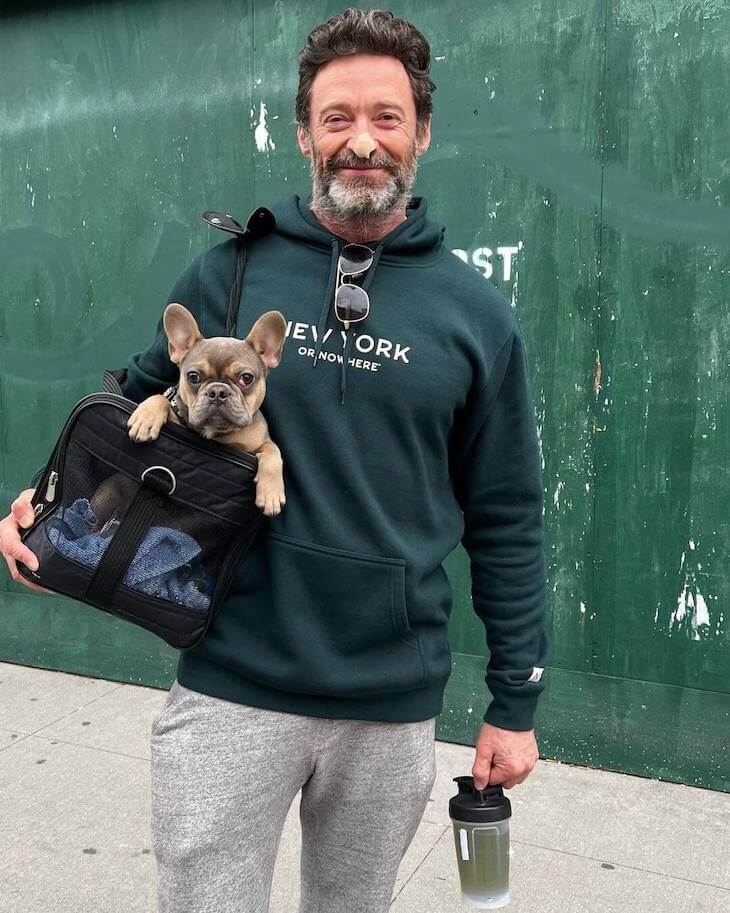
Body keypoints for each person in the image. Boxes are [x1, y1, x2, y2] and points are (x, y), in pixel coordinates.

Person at [1, 8, 551, 912]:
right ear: (304, 133)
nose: (361, 140)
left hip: (389, 697)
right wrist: (41, 506)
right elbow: (123, 402)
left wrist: (515, 700)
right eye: (337, 118)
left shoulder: (476, 315)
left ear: (421, 131)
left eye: (385, 115)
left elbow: (507, 513)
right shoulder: (230, 273)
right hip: (229, 682)